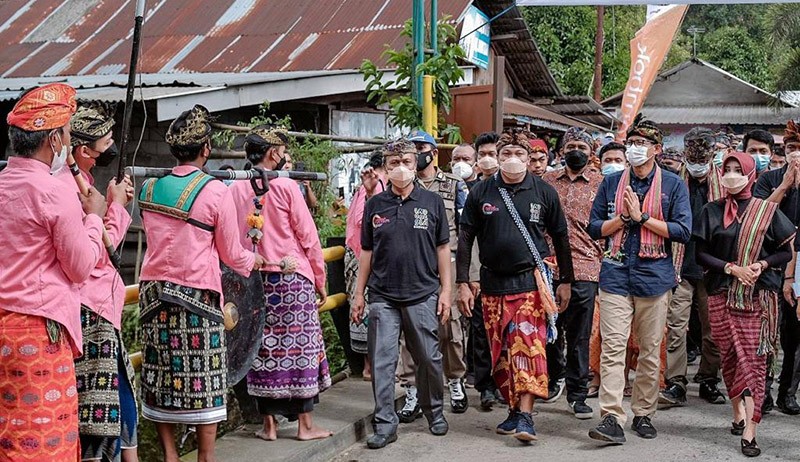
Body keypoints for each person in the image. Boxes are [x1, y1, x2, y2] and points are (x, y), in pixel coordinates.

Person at [137, 105, 266, 462]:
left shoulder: (148, 189)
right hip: (196, 295)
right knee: (204, 380)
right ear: (206, 149)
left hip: (153, 296)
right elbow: (230, 251)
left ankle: (170, 455)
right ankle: (205, 457)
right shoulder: (214, 192)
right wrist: (252, 258)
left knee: (160, 375)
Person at [0, 83, 106, 461]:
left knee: (8, 435)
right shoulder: (52, 190)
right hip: (37, 330)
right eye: (64, 134)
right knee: (45, 438)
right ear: (53, 141)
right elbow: (79, 267)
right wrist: (94, 219)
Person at [457, 128, 574, 442]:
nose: (512, 160)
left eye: (518, 154)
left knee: (529, 347)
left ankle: (526, 415)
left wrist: (565, 281)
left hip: (530, 285)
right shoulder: (481, 193)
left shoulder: (543, 192)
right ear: (496, 157)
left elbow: (561, 238)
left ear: (530, 158)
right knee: (502, 354)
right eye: (505, 154)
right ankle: (512, 410)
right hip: (492, 286)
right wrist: (463, 282)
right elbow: (465, 237)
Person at [587, 116, 691, 444]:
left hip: (655, 277)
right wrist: (621, 219)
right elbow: (594, 227)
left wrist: (643, 218)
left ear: (656, 149)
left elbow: (683, 231)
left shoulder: (673, 185)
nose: (634, 149)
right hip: (615, 274)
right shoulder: (611, 182)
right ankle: (611, 417)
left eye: (641, 144)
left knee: (649, 350)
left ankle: (643, 413)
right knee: (613, 347)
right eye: (631, 143)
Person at [227, 125, 332, 441]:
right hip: (290, 279)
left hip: (253, 282)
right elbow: (309, 237)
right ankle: (304, 425)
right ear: (274, 153)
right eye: (283, 151)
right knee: (300, 348)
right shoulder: (286, 187)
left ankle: (269, 426)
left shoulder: (234, 189)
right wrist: (320, 279)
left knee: (261, 349)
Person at [352, 139, 451, 449]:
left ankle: (434, 411)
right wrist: (359, 293)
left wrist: (446, 290)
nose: (400, 168)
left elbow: (443, 249)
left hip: (423, 292)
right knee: (382, 361)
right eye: (393, 163)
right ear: (386, 165)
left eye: (406, 161)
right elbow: (366, 252)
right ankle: (384, 423)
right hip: (382, 295)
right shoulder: (375, 204)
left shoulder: (432, 202)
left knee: (429, 358)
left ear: (416, 161)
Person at [695, 152, 795, 457]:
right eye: (728, 169)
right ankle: (737, 410)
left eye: (739, 169)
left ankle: (751, 428)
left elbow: (785, 253)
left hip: (758, 296)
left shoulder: (766, 210)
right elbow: (700, 253)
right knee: (730, 357)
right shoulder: (711, 211)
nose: (733, 174)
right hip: (721, 293)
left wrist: (762, 264)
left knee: (753, 360)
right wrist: (731, 268)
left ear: (750, 174)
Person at [57, 102, 140, 462]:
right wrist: (116, 207)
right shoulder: (67, 190)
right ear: (84, 151)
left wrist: (110, 204)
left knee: (121, 400)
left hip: (102, 308)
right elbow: (97, 254)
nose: (111, 149)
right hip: (89, 308)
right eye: (106, 143)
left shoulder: (84, 184)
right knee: (96, 416)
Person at [395, 130, 468, 417]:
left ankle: (455, 381)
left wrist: (466, 279)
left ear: (434, 152)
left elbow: (466, 234)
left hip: (446, 263)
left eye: (421, 147)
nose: (417, 152)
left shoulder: (454, 186)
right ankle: (412, 391)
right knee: (408, 333)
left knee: (449, 328)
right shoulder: (401, 186)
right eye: (412, 148)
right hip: (412, 267)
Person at [659, 128, 726, 410]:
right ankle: (676, 383)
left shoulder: (724, 184)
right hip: (680, 266)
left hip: (712, 268)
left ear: (713, 156)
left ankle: (709, 378)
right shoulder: (673, 183)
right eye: (693, 156)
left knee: (713, 331)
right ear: (685, 155)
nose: (698, 163)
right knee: (676, 327)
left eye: (703, 157)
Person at [542, 127, 604, 419]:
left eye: (581, 146)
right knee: (550, 331)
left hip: (586, 268)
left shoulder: (602, 184)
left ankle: (577, 394)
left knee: (580, 336)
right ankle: (554, 378)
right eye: (570, 146)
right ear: (561, 151)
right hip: (549, 268)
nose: (575, 150)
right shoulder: (546, 181)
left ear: (592, 153)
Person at [753, 120, 800, 415]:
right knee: (767, 330)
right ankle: (764, 391)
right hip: (771, 261)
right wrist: (784, 186)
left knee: (795, 334)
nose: (795, 155)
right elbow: (758, 215)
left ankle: (788, 392)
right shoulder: (768, 179)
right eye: (791, 149)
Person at [345, 151, 386, 380]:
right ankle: (370, 366)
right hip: (365, 255)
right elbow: (365, 221)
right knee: (368, 307)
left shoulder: (368, 186)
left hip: (359, 252)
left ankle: (370, 365)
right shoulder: (375, 186)